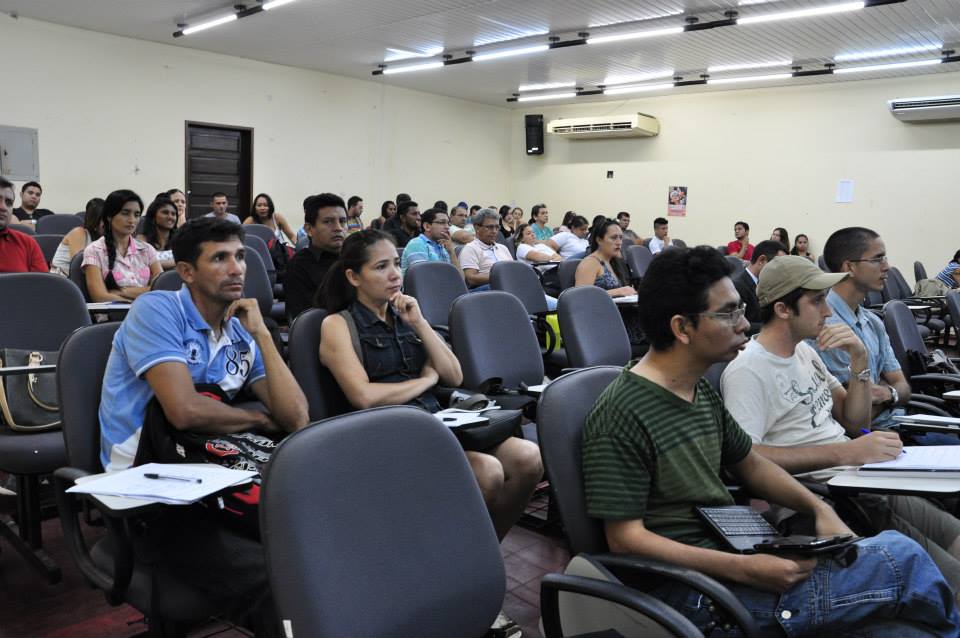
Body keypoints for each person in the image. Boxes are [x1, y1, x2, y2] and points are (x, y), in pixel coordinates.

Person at [581, 245, 960, 636]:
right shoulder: (622, 412)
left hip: (735, 555)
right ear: (682, 328)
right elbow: (625, 540)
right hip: (692, 592)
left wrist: (818, 510)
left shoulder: (697, 391)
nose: (745, 324)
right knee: (903, 561)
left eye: (741, 310)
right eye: (729, 313)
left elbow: (750, 463)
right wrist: (745, 568)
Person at [98, 216, 309, 637]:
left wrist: (263, 335)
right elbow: (184, 411)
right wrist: (256, 419)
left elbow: (297, 418)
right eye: (220, 258)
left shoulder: (240, 331)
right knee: (278, 577)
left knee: (310, 538)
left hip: (215, 470)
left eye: (239, 257)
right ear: (188, 272)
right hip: (151, 486)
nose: (236, 268)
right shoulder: (157, 310)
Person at [722, 255, 960, 594]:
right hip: (827, 495)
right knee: (947, 577)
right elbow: (746, 457)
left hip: (860, 476)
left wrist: (859, 361)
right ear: (783, 309)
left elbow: (854, 420)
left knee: (953, 534)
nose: (828, 311)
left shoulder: (804, 352)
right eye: (817, 301)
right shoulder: (749, 370)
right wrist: (844, 452)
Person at [318, 230, 542, 540]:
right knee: (488, 472)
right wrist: (425, 380)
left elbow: (454, 375)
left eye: (396, 264)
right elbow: (364, 396)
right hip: (387, 433)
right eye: (381, 267)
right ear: (354, 277)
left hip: (439, 422)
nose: (395, 274)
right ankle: (460, 558)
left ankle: (485, 550)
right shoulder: (338, 325)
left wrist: (420, 323)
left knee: (528, 458)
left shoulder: (406, 316)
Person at [812, 227, 912, 430]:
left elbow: (903, 387)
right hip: (874, 436)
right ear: (849, 266)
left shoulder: (873, 322)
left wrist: (887, 393)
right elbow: (855, 415)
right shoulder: (826, 328)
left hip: (903, 423)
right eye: (877, 259)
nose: (887, 267)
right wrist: (888, 396)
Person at [82, 189, 162, 302]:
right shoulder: (94, 250)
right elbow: (100, 296)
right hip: (113, 315)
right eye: (125, 213)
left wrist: (120, 291)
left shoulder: (147, 250)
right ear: (109, 216)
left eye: (137, 215)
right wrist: (140, 298)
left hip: (148, 313)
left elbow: (162, 290)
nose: (132, 220)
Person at [284, 193, 346, 322]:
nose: (338, 228)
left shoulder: (356, 259)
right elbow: (306, 322)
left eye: (342, 221)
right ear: (309, 229)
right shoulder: (298, 266)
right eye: (328, 222)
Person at [732, 239, 787, 335]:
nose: (782, 272)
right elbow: (736, 325)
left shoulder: (770, 285)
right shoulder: (737, 287)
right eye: (779, 266)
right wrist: (774, 327)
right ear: (762, 260)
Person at [459, 208, 514, 291]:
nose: (495, 231)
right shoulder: (470, 249)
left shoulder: (503, 248)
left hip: (506, 286)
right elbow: (471, 279)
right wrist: (500, 276)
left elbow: (513, 270)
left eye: (497, 227)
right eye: (490, 227)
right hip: (486, 290)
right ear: (477, 228)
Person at [0, 177, 47, 273]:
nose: (3, 207)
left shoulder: (28, 243)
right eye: (30, 193)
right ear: (21, 195)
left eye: (8, 203)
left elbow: (43, 285)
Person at [400, 208, 461, 277]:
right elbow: (424, 279)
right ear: (427, 226)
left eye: (448, 223)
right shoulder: (417, 244)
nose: (447, 227)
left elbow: (461, 279)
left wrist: (451, 252)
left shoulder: (444, 247)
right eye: (442, 222)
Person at [50, 197, 103, 276]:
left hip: (83, 279)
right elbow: (78, 268)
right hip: (61, 279)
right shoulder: (79, 233)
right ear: (95, 222)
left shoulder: (104, 238)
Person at [137, 194, 179, 270]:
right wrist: (176, 262)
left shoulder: (179, 240)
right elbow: (143, 264)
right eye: (165, 212)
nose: (170, 217)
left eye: (173, 214)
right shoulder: (141, 240)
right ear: (153, 216)